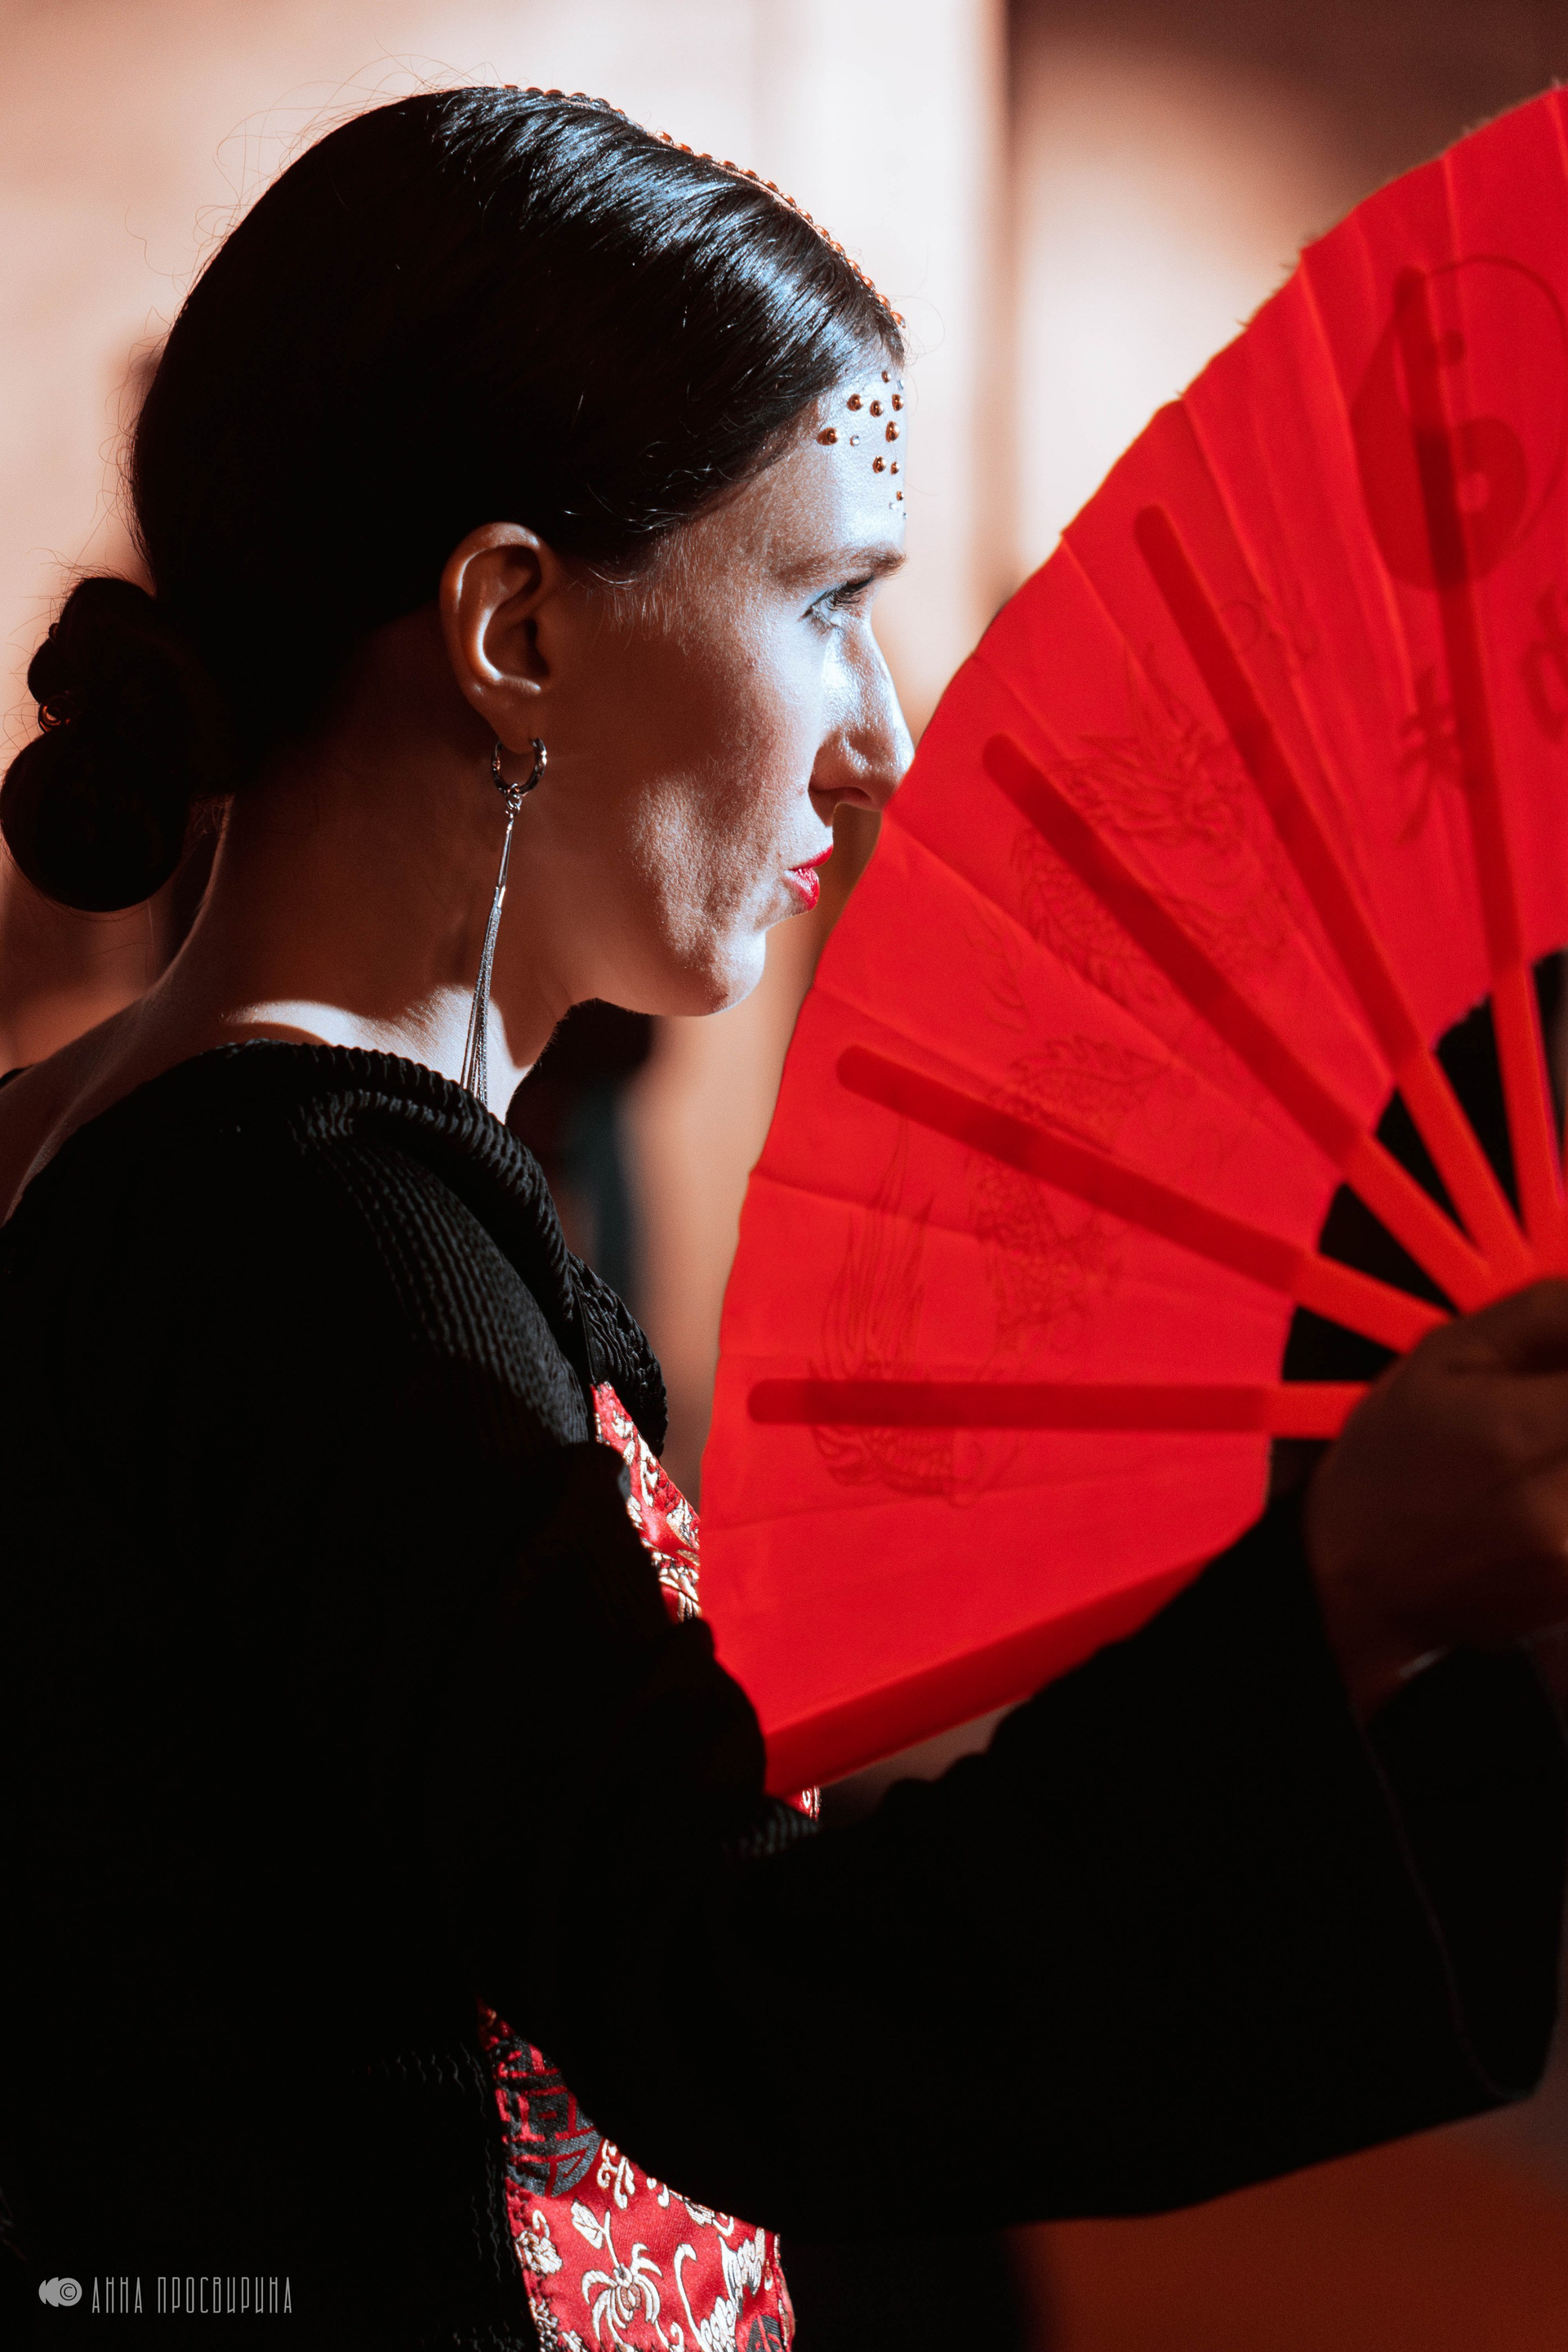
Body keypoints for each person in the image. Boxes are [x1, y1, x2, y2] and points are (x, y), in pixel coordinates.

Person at [0, 87, 1565, 2352]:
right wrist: (1348, 1591)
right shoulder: (320, 1244)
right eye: (829, 602)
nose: (884, 736)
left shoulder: (145, 1158)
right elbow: (742, 2001)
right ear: (516, 625)